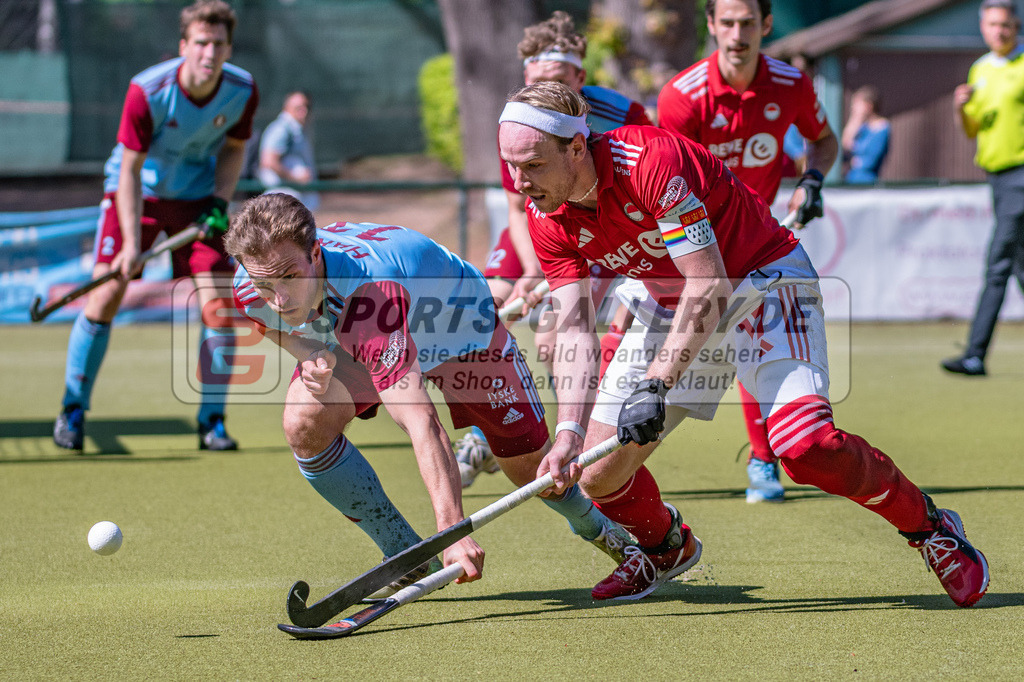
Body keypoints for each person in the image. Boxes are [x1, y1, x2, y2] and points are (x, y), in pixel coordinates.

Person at [498, 80, 989, 607]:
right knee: (597, 474)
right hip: (670, 303)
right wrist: (569, 431)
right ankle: (666, 548)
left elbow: (709, 284)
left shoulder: (649, 160)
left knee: (806, 448)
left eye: (532, 165)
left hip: (759, 283)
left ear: (576, 146)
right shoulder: (545, 217)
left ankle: (930, 528)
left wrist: (656, 385)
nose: (519, 181)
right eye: (510, 166)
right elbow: (575, 327)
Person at [224, 192, 638, 589]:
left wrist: (451, 531)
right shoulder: (252, 275)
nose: (277, 298)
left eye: (290, 278)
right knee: (303, 423)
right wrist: (307, 349)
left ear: (315, 254)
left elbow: (421, 421)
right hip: (364, 329)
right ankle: (404, 555)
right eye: (265, 284)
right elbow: (264, 317)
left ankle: (606, 533)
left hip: (457, 325)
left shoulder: (371, 295)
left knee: (531, 469)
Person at [52, 0, 258, 452]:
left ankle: (212, 422)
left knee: (219, 309)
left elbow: (233, 150)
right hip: (137, 196)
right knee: (105, 294)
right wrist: (129, 243)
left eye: (219, 44)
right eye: (201, 43)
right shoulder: (147, 91)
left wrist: (221, 203)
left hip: (199, 201)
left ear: (228, 47)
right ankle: (72, 409)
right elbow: (128, 170)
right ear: (184, 45)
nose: (209, 52)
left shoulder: (242, 90)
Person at [457, 10, 651, 488]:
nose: (550, 95)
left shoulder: (623, 114)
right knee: (484, 312)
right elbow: (519, 206)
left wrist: (550, 274)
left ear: (580, 78)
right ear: (527, 77)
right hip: (538, 223)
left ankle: (562, 435)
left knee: (551, 333)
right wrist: (531, 268)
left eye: (562, 82)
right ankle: (492, 428)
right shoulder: (518, 120)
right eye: (541, 81)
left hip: (599, 229)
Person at [656, 0, 839, 503]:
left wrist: (811, 181)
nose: (737, 34)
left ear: (766, 26)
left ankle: (763, 459)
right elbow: (666, 180)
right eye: (727, 23)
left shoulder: (792, 85)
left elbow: (823, 140)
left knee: (750, 338)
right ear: (711, 26)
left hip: (759, 240)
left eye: (748, 23)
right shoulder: (682, 97)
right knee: (638, 337)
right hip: (690, 239)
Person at [942, 0, 1024, 377]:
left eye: (1005, 25)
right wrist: (961, 108)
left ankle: (975, 354)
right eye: (993, 24)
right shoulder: (981, 68)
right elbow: (973, 129)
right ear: (983, 26)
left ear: (1016, 25)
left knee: (998, 263)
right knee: (1020, 265)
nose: (999, 31)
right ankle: (975, 353)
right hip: (996, 177)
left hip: (1021, 176)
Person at [258, 90, 320, 210]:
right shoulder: (281, 129)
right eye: (298, 108)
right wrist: (295, 178)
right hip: (283, 198)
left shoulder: (297, 129)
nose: (304, 111)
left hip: (294, 197)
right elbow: (269, 161)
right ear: (287, 107)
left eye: (307, 107)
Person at [842, 85, 890, 184]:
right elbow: (845, 146)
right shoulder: (862, 127)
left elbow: (870, 161)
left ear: (869, 105)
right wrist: (854, 120)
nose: (853, 108)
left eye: (857, 104)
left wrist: (854, 159)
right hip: (851, 180)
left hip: (867, 183)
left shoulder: (882, 128)